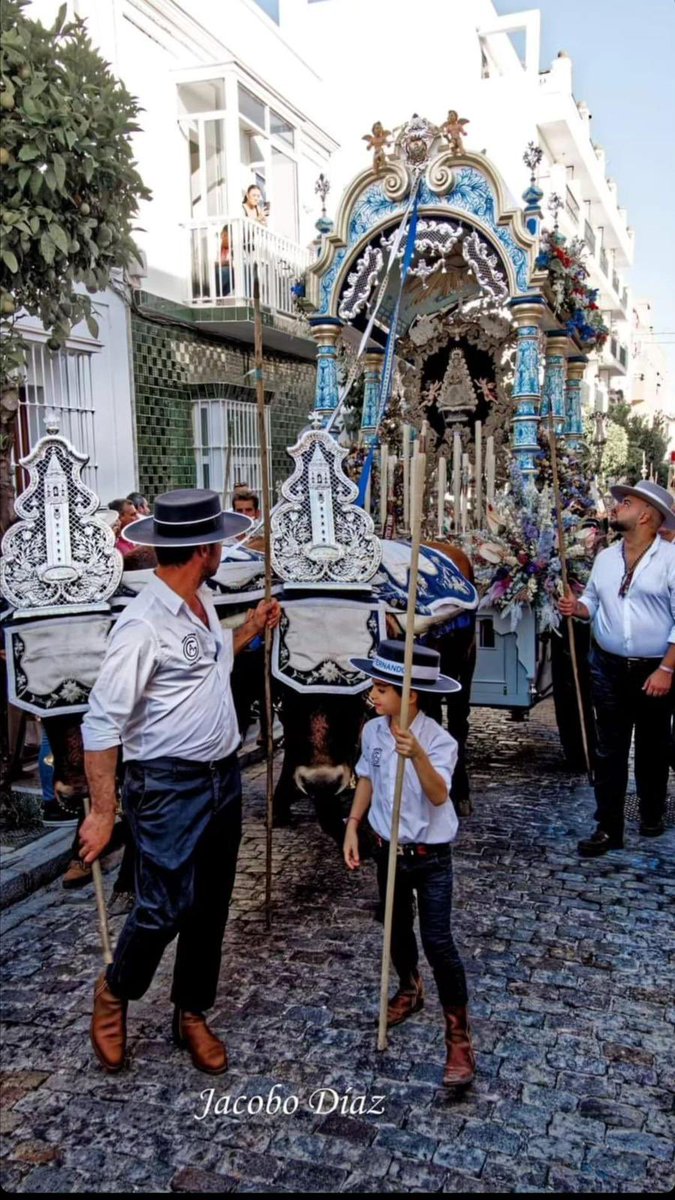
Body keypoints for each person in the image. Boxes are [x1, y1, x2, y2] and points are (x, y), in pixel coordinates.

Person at [79, 488, 281, 1074]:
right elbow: (102, 721)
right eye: (218, 540)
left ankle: (191, 1011)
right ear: (204, 551)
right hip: (168, 787)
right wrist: (102, 810)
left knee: (212, 904)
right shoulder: (142, 624)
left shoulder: (200, 602)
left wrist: (250, 628)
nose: (223, 547)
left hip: (222, 781)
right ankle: (115, 989)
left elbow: (210, 662)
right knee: (164, 907)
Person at [343, 638, 475, 1088]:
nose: (372, 696)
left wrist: (415, 752)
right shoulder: (372, 731)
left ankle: (458, 1037)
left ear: (411, 695)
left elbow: (439, 794)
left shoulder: (440, 741)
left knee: (438, 942)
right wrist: (353, 824)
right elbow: (366, 777)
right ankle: (408, 986)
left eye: (381, 689)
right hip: (388, 851)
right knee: (396, 926)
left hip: (431, 856)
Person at [559, 480, 675, 857]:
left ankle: (652, 813)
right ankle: (608, 826)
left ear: (645, 515)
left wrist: (667, 670)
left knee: (653, 746)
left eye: (625, 503)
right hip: (607, 667)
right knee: (609, 748)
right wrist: (579, 607)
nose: (616, 507)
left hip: (654, 668)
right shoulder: (607, 558)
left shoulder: (671, 560)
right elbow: (593, 598)